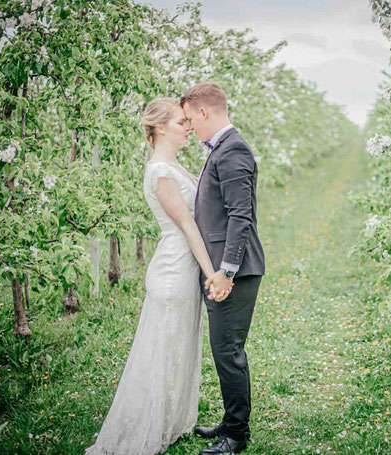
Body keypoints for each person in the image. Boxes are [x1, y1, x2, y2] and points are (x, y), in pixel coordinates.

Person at [85, 97, 231, 455]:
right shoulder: (161, 173)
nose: (188, 126)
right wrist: (214, 272)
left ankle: (170, 420)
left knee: (180, 345)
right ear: (161, 127)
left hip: (184, 266)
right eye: (182, 122)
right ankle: (144, 426)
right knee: (164, 347)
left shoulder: (174, 166)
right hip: (174, 269)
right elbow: (187, 225)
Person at [181, 82, 265, 455]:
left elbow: (240, 216)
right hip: (222, 270)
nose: (189, 128)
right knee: (223, 349)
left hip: (234, 272)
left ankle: (236, 437)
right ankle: (231, 422)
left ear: (204, 112)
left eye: (189, 119)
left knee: (229, 350)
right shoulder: (223, 149)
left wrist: (226, 273)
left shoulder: (233, 151)